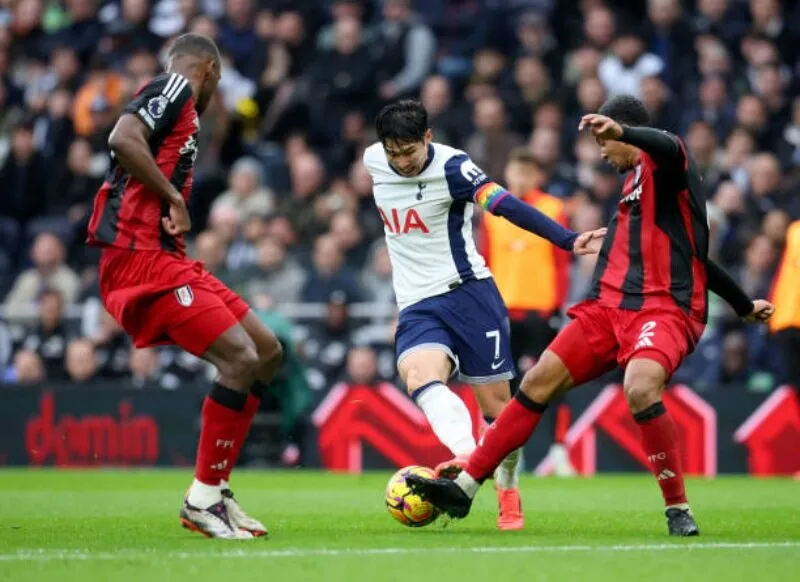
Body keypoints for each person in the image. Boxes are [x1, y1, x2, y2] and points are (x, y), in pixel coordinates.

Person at [405, 95, 775, 537]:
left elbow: (670, 146)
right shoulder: (629, 193)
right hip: (607, 311)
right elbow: (698, 258)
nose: (602, 152)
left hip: (663, 309)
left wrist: (622, 132)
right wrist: (744, 303)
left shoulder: (668, 169)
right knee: (538, 381)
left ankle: (677, 508)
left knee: (639, 388)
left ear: (623, 132)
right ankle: (465, 488)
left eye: (607, 141)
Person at [363, 100, 605, 530]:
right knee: (419, 376)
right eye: (393, 152)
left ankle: (508, 490)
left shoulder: (454, 167)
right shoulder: (374, 161)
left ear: (428, 139)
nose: (400, 162)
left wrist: (567, 240)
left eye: (409, 152)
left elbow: (507, 204)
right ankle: (466, 454)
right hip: (418, 303)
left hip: (471, 297)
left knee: (499, 412)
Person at [86, 33, 283, 540]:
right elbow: (121, 138)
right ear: (210, 71)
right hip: (138, 259)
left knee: (266, 351)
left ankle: (216, 491)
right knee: (239, 358)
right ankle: (201, 499)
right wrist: (174, 196)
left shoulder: (184, 111)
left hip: (168, 259)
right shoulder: (176, 85)